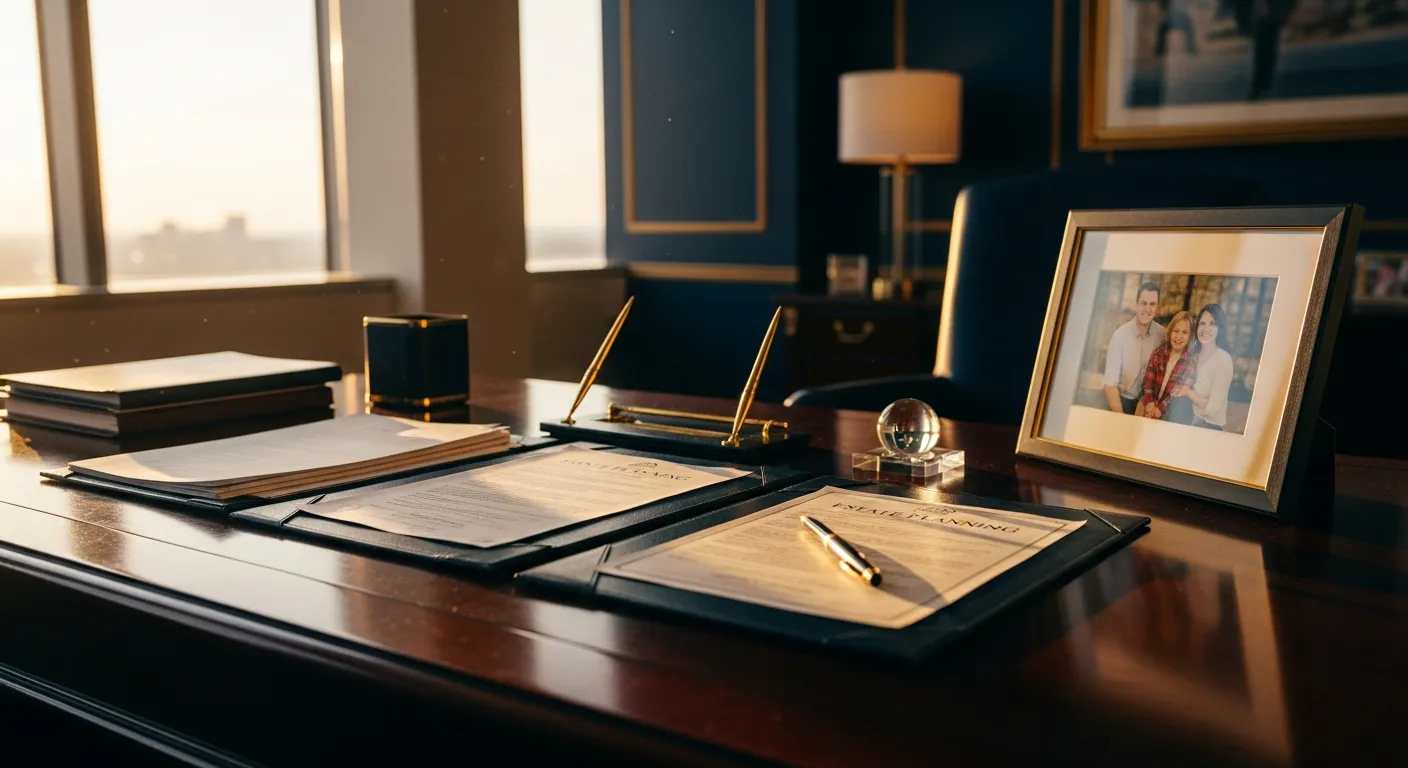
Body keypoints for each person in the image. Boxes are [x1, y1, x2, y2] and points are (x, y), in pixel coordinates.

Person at [1103, 282, 1166, 415]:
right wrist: (1121, 418)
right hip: (1121, 402)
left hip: (1149, 405)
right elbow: (1110, 384)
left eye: (1152, 304)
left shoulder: (1162, 335)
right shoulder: (1120, 336)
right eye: (1143, 303)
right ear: (1136, 305)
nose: (1147, 309)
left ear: (1157, 308)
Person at [1172, 303, 1234, 431]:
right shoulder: (1192, 356)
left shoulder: (1223, 360)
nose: (1206, 329)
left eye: (1212, 324)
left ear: (1219, 329)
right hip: (1185, 424)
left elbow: (1212, 409)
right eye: (1202, 323)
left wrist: (1188, 392)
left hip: (1209, 428)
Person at [1137, 311, 1197, 421]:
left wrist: (1159, 409)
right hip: (1150, 404)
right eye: (1176, 331)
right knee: (1140, 407)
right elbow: (1147, 382)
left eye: (1184, 332)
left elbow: (1177, 392)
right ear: (1170, 332)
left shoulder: (1190, 363)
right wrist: (1150, 402)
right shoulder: (1158, 353)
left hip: (1169, 411)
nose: (1179, 336)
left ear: (1190, 336)